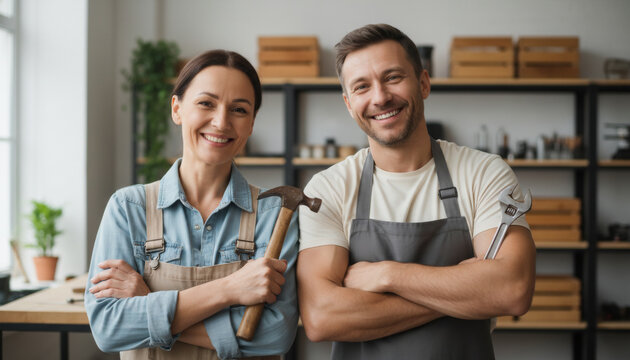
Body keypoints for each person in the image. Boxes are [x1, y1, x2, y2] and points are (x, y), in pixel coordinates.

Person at [297, 24, 536, 359]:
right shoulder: (329, 188)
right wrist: (465, 290)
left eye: (393, 77)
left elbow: (512, 290)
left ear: (423, 83)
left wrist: (386, 274)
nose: (380, 97)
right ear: (349, 104)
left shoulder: (482, 172)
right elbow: (322, 317)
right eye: (362, 87)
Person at [85, 50, 298, 360]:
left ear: (251, 123)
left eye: (239, 109)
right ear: (177, 108)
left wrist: (150, 302)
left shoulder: (274, 216)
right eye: (206, 103)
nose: (221, 122)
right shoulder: (128, 208)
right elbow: (108, 328)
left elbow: (275, 334)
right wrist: (229, 289)